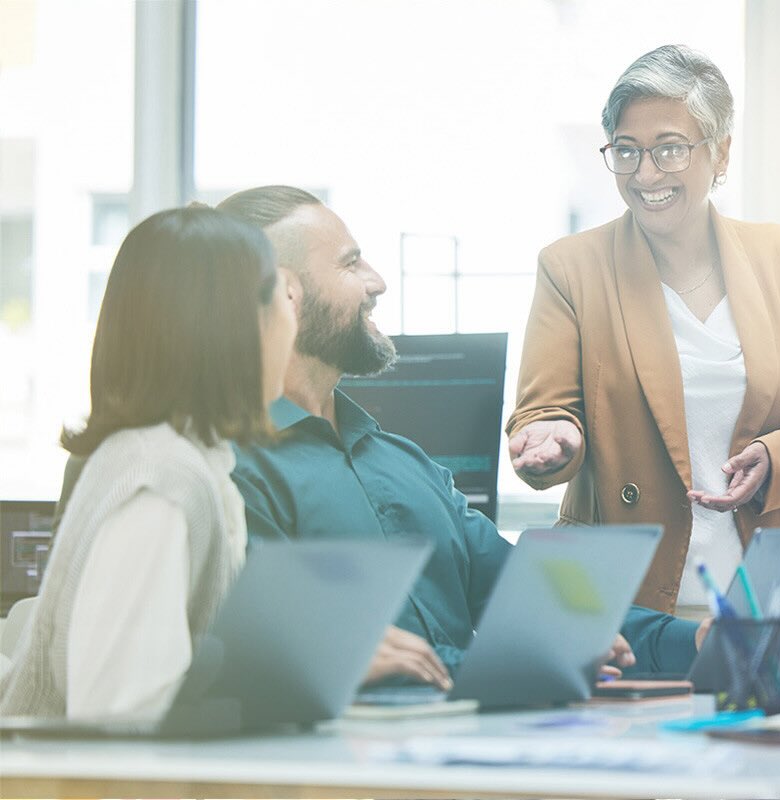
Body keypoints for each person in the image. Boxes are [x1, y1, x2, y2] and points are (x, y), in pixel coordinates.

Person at [218, 185, 706, 685]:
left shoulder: (404, 462)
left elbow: (532, 594)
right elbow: (290, 651)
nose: (377, 282)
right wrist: (532, 656)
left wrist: (694, 643)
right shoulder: (232, 475)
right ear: (286, 295)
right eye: (350, 264)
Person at [506, 45, 780, 618]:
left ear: (720, 152)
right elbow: (543, 413)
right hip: (626, 605)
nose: (645, 174)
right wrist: (556, 438)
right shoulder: (571, 267)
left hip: (774, 596)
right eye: (626, 152)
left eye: (669, 150)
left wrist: (776, 458)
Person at [0, 206, 297, 718]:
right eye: (285, 296)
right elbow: (118, 724)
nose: (294, 318)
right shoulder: (160, 481)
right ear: (235, 323)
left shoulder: (179, 460)